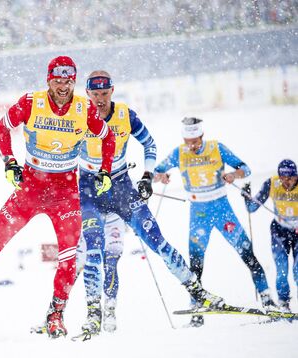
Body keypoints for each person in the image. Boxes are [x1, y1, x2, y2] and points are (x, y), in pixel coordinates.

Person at [0, 56, 117, 339]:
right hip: (30, 190)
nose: (63, 87)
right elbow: (2, 128)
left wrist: (105, 172)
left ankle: (55, 314)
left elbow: (108, 137)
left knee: (68, 259)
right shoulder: (31, 102)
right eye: (57, 80)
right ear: (48, 80)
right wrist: (9, 162)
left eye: (68, 81)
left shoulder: (83, 108)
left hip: (64, 195)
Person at [77, 71, 224, 335]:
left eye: (104, 94)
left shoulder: (124, 115)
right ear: (87, 94)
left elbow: (150, 144)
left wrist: (146, 176)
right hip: (89, 189)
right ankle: (93, 313)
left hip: (121, 186)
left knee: (157, 240)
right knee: (94, 249)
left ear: (112, 91)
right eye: (95, 94)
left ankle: (197, 292)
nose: (99, 100)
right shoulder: (77, 115)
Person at [154, 117, 276, 327]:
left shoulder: (216, 148)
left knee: (246, 253)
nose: (192, 145)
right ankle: (197, 309)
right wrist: (162, 176)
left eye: (195, 140)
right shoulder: (179, 152)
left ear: (202, 135)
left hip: (222, 210)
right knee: (196, 264)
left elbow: (245, 168)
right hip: (198, 213)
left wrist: (233, 174)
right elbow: (157, 172)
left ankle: (268, 300)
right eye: (188, 140)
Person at [242, 159, 298, 312]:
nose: (287, 181)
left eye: (291, 177)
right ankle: (284, 302)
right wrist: (247, 197)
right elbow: (252, 207)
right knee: (281, 270)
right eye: (283, 177)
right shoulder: (272, 183)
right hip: (280, 231)